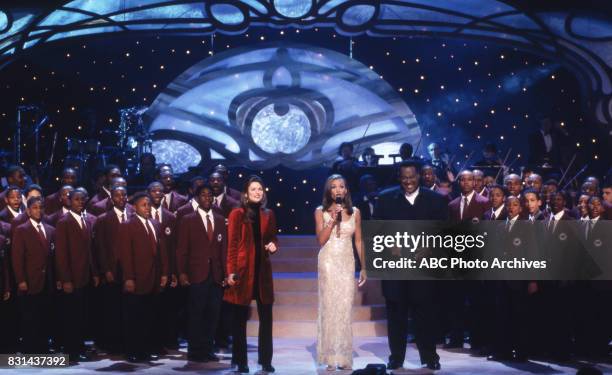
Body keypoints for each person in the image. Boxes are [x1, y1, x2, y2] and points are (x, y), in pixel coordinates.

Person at [373, 160, 448, 371]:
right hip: (395, 268)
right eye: (404, 177)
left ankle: (429, 356)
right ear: (399, 177)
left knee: (425, 314)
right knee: (396, 314)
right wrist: (389, 245)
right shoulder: (386, 198)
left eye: (412, 177)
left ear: (420, 176)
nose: (408, 181)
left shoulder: (435, 200)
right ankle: (396, 357)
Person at [225, 176, 278, 374]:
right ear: (246, 193)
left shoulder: (268, 214)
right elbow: (231, 246)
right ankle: (241, 362)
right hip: (242, 272)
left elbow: (273, 238)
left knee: (266, 319)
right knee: (239, 320)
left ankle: (266, 361)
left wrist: (274, 246)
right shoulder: (237, 214)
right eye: (254, 189)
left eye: (260, 189)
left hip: (262, 272)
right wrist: (230, 271)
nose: (258, 192)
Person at [315, 174, 367, 371]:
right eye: (334, 187)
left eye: (341, 186)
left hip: (346, 263)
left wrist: (364, 267)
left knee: (344, 308)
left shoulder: (356, 212)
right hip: (328, 261)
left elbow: (359, 241)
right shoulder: (320, 211)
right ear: (329, 191)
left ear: (346, 190)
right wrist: (332, 219)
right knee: (329, 307)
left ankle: (344, 356)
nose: (338, 190)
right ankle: (329, 356)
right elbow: (320, 240)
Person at [176, 184, 227, 362]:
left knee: (212, 314)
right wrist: (181, 273)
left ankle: (207, 349)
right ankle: (195, 351)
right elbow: (182, 249)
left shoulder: (220, 219)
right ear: (197, 198)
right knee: (196, 313)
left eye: (210, 195)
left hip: (215, 275)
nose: (207, 198)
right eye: (203, 195)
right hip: (196, 274)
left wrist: (225, 274)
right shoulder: (188, 219)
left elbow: (224, 249)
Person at [118, 192, 169, 362]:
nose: (147, 208)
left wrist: (163, 274)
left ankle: (145, 349)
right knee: (134, 318)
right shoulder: (128, 225)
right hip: (137, 279)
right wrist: (129, 278)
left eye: (148, 205)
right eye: (143, 205)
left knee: (149, 317)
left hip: (153, 279)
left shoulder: (155, 224)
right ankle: (132, 351)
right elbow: (125, 254)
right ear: (135, 207)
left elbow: (161, 253)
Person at [54, 188, 98, 363]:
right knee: (71, 317)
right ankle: (71, 351)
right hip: (71, 277)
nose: (80, 202)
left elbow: (89, 251)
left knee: (81, 315)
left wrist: (93, 272)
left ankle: (79, 347)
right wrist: (65, 279)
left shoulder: (86, 220)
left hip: (84, 276)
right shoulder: (64, 222)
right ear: (70, 201)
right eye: (77, 199)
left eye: (82, 199)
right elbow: (61, 254)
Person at [11, 196, 55, 354]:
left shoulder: (50, 229)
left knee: (44, 315)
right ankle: (30, 349)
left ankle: (43, 347)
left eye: (41, 207)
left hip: (46, 282)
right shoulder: (21, 230)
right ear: (28, 211)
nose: (39, 210)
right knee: (30, 317)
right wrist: (21, 280)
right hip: (29, 281)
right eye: (35, 208)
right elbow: (17, 258)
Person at [92, 185, 129, 354]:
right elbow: (100, 247)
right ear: (112, 198)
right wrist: (106, 269)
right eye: (118, 195)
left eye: (124, 195)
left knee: (127, 309)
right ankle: (112, 344)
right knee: (112, 310)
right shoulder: (103, 219)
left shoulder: (134, 214)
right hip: (112, 270)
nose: (121, 198)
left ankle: (126, 341)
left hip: (130, 270)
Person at [148, 181, 179, 351]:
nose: (157, 194)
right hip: (148, 270)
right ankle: (151, 342)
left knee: (166, 309)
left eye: (160, 191)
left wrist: (173, 272)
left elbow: (175, 247)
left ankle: (164, 342)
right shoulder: (141, 214)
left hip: (166, 270)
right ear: (148, 193)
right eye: (154, 191)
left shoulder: (171, 217)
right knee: (150, 308)